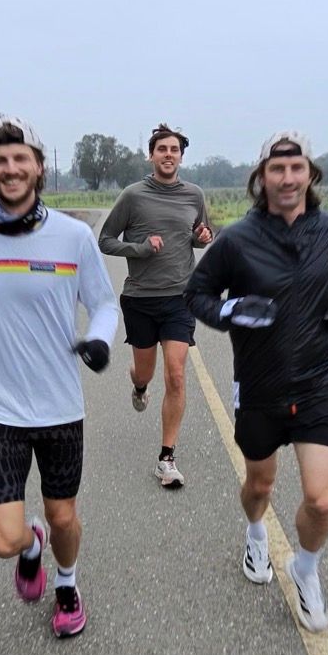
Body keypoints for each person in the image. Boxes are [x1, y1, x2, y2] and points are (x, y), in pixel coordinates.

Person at [0, 116, 117, 639]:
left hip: (60, 407)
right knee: (2, 541)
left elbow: (104, 304)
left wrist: (99, 340)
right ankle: (30, 545)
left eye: (21, 159)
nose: (10, 168)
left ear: (38, 167)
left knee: (63, 516)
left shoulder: (72, 236)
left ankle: (67, 583)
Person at [185, 132, 328, 632]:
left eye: (296, 168)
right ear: (261, 179)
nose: (288, 178)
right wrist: (232, 310)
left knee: (321, 500)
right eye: (277, 169)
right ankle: (256, 533)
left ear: (311, 174)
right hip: (260, 385)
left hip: (319, 382)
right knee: (260, 484)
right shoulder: (237, 239)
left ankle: (305, 567)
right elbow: (196, 295)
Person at [98, 122, 213, 489]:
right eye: (162, 149)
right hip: (140, 299)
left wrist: (203, 237)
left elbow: (198, 236)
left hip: (180, 297)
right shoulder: (133, 196)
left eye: (174, 149)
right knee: (145, 373)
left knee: (176, 374)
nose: (168, 154)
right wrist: (140, 248)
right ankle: (138, 386)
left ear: (181, 157)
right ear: (151, 156)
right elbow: (105, 240)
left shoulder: (194, 195)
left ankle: (167, 458)